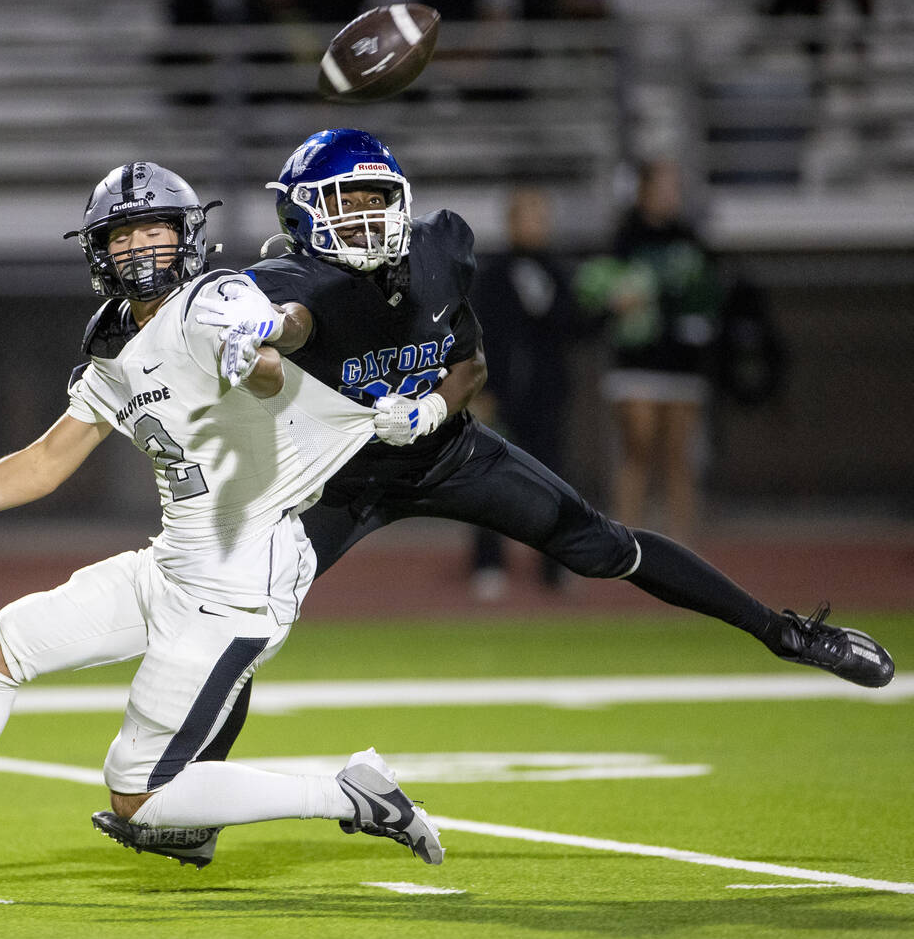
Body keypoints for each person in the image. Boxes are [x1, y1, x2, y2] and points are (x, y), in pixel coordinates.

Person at [192, 131, 895, 825]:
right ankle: (196, 801)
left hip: (446, 451)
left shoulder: (435, 254)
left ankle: (786, 633)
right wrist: (254, 327)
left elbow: (469, 365)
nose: (370, 216)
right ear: (301, 213)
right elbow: (287, 319)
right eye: (348, 202)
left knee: (606, 545)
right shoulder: (288, 285)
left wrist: (434, 404)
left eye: (379, 198)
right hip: (338, 481)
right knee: (247, 618)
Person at [0, 161, 444, 887]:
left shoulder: (212, 301)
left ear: (187, 235)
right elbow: (47, 460)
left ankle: (348, 793)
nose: (141, 250)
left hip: (234, 589)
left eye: (154, 231)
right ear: (100, 251)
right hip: (172, 565)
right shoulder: (116, 347)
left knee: (137, 795)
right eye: (124, 237)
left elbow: (262, 351)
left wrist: (257, 343)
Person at [574, 159, 721, 545]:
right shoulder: (625, 239)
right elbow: (597, 294)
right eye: (663, 187)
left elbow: (709, 292)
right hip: (636, 360)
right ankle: (628, 539)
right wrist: (617, 300)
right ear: (644, 191)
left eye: (675, 188)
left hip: (681, 362)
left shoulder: (690, 238)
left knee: (677, 456)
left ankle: (682, 543)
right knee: (637, 447)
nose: (670, 195)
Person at [467, 187, 582, 596]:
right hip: (502, 392)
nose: (538, 225)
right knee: (491, 481)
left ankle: (554, 565)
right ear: (513, 222)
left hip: (546, 394)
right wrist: (481, 388)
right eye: (530, 216)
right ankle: (488, 562)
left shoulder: (557, 271)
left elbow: (574, 326)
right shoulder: (492, 274)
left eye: (542, 216)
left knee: (552, 483)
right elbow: (478, 335)